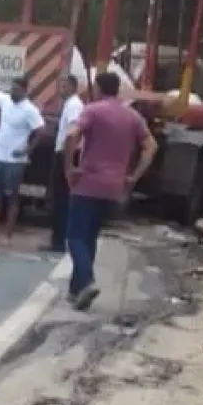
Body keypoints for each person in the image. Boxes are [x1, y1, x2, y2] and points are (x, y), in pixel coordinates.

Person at [63, 71, 158, 311]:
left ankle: (87, 280)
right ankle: (76, 291)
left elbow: (72, 134)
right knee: (89, 236)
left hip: (88, 182)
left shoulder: (93, 110)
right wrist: (133, 177)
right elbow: (151, 147)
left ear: (97, 88)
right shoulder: (132, 116)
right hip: (114, 186)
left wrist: (69, 167)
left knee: (74, 236)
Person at [0, 77, 45, 243]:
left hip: (15, 162)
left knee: (12, 198)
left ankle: (7, 235)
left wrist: (27, 150)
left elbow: (40, 131)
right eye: (12, 89)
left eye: (16, 90)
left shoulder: (30, 110)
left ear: (25, 90)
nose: (13, 92)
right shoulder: (6, 101)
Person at [44, 75, 84, 253]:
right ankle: (57, 239)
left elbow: (72, 135)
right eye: (60, 86)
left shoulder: (75, 105)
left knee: (62, 199)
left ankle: (59, 242)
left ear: (73, 88)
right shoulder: (69, 104)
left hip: (66, 155)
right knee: (59, 199)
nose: (62, 90)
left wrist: (67, 163)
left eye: (65, 86)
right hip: (63, 153)